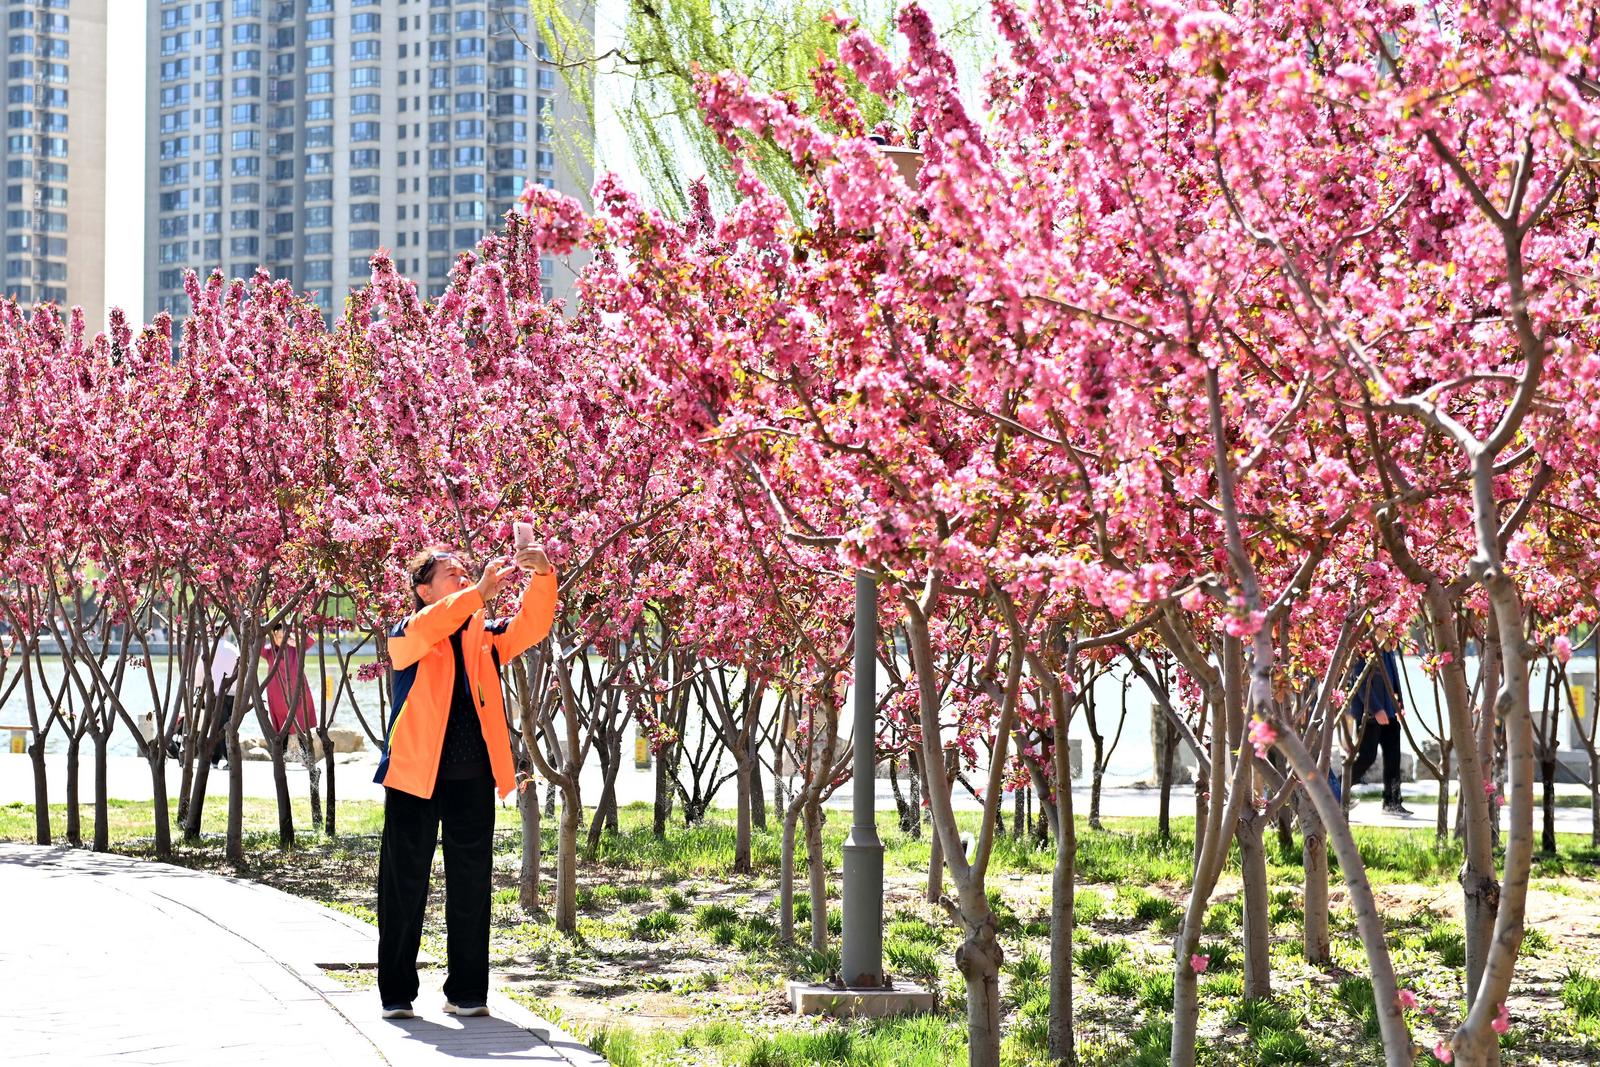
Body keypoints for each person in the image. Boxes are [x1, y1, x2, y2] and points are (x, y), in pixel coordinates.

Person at [375, 541, 556, 1021]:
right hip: (414, 776)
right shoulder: (408, 632)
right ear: (423, 589)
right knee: (403, 887)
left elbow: (532, 626)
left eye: (465, 573)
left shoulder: (487, 635)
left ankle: (468, 991)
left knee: (472, 887)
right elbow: (432, 625)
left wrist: (542, 576)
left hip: (473, 779)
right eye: (451, 574)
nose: (463, 578)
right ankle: (396, 994)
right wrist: (476, 594)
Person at [1346, 639, 1412, 816]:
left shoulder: (1388, 648)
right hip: (1370, 714)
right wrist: (1376, 709)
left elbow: (1393, 678)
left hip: (1391, 712)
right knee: (1366, 757)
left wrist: (1399, 705)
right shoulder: (1364, 649)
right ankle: (1336, 793)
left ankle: (1392, 802)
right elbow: (1358, 681)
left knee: (1393, 758)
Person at [262, 626, 317, 739]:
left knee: (301, 726)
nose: (282, 639)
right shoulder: (269, 651)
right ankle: (282, 755)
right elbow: (257, 647)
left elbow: (310, 641)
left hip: (297, 692)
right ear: (274, 637)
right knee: (282, 729)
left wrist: (294, 628)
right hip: (277, 695)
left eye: (285, 636)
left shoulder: (295, 648)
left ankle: (305, 754)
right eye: (279, 637)